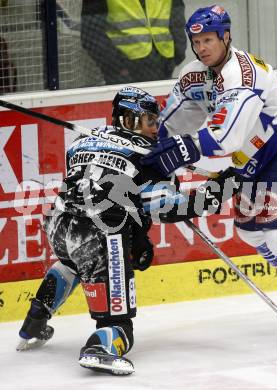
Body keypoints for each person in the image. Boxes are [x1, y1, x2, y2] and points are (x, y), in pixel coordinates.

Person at [141, 5, 277, 338]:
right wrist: (151, 151)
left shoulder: (242, 75)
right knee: (249, 231)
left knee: (276, 226)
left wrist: (179, 154)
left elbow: (224, 139)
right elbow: (172, 123)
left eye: (208, 40)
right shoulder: (193, 75)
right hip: (252, 161)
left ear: (225, 36)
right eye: (196, 41)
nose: (202, 47)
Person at [16, 86, 185, 375]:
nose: (155, 128)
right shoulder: (150, 155)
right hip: (99, 234)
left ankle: (36, 318)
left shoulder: (84, 139)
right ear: (130, 120)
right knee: (120, 325)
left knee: (72, 263)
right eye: (150, 121)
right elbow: (167, 205)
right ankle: (99, 348)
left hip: (58, 224)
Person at [80, 0, 187, 85]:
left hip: (162, 62)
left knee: (162, 109)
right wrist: (116, 68)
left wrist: (176, 55)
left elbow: (176, 16)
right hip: (124, 69)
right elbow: (91, 32)